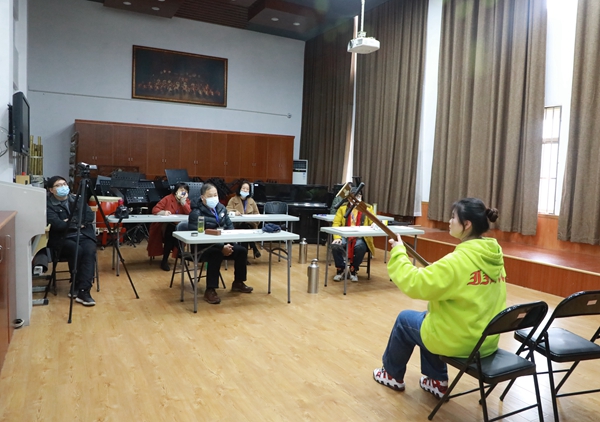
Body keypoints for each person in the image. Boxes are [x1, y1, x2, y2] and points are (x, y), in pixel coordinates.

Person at [373, 198, 507, 399]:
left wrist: (399, 252)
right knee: (429, 318)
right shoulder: (493, 256)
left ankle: (391, 374)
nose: (450, 221)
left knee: (405, 319)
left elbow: (415, 283)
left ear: (467, 224)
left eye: (453, 217)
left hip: (461, 341)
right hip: (486, 341)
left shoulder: (458, 261)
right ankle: (436, 380)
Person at [185, 183, 253, 305]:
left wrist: (229, 244)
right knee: (216, 254)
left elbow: (230, 227)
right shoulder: (196, 213)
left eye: (215, 195)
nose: (214, 198)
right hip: (203, 248)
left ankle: (238, 282)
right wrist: (221, 247)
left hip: (223, 244)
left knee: (241, 251)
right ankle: (210, 290)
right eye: (210, 196)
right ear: (203, 198)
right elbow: (199, 236)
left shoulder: (221, 208)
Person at [46, 176, 97, 306]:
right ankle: (76, 284)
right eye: (58, 185)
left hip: (84, 235)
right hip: (62, 239)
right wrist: (77, 222)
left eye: (64, 184)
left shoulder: (77, 199)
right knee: (77, 250)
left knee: (89, 250)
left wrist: (69, 222)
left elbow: (89, 216)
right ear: (51, 190)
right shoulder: (48, 204)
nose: (63, 187)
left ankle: (84, 291)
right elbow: (57, 224)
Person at [331, 188, 375, 282]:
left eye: (357, 196)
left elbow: (373, 220)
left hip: (360, 237)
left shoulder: (367, 208)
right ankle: (341, 269)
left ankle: (353, 269)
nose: (355, 199)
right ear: (349, 198)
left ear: (360, 197)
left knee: (360, 247)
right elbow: (336, 223)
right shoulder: (343, 208)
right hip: (345, 236)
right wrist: (337, 237)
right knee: (335, 246)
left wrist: (373, 224)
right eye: (352, 197)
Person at [147, 182, 191, 271]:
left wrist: (184, 203)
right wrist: (163, 212)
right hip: (165, 226)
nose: (183, 193)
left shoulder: (186, 201)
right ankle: (166, 259)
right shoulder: (168, 198)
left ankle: (175, 254)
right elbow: (155, 209)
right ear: (176, 191)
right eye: (181, 190)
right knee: (171, 231)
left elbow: (190, 213)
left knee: (176, 232)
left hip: (180, 226)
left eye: (185, 191)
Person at [226, 180, 261, 259]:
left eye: (247, 189)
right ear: (240, 189)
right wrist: (234, 212)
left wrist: (254, 220)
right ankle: (253, 248)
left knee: (245, 227)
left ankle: (244, 257)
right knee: (244, 228)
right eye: (243, 188)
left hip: (250, 224)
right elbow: (227, 210)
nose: (245, 190)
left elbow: (257, 214)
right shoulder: (233, 200)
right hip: (236, 225)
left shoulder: (252, 201)